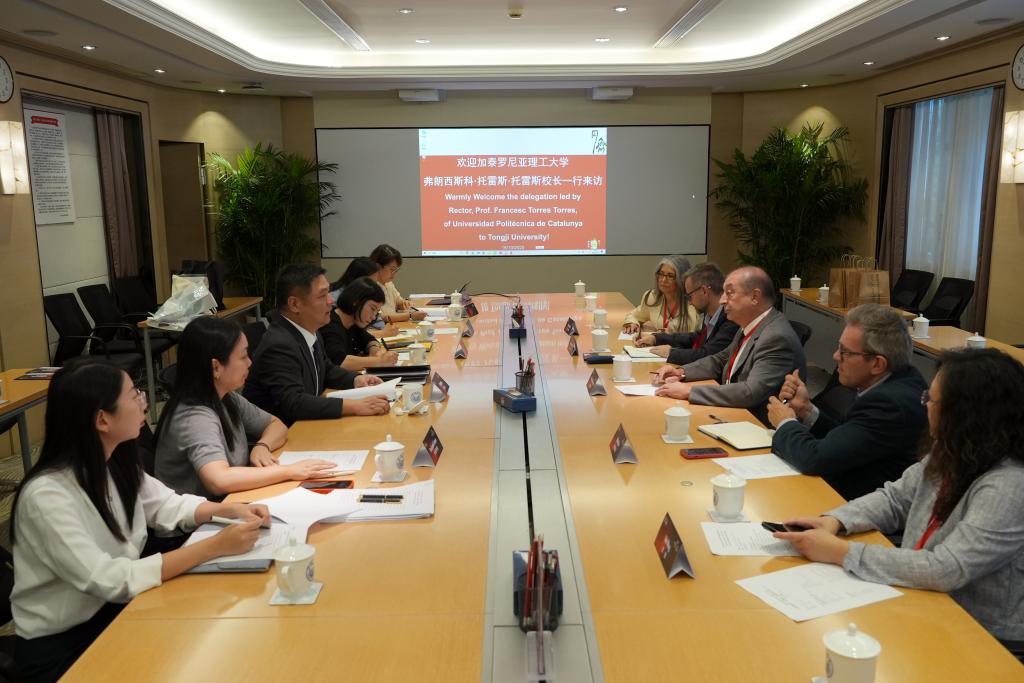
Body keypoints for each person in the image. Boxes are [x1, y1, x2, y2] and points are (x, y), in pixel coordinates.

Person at [10, 361, 269, 682]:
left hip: (118, 609)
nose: (144, 402)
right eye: (134, 396)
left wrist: (228, 511)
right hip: (64, 645)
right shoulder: (46, 496)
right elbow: (109, 579)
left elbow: (167, 505)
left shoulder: (113, 462)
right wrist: (213, 547)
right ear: (102, 420)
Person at [772, 349, 1024, 660]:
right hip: (924, 600)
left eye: (931, 400)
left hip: (982, 635)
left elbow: (947, 568)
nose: (925, 406)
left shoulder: (1008, 485)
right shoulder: (954, 451)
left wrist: (841, 552)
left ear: (965, 413)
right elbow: (895, 499)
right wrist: (836, 521)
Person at [155, 316, 337, 499]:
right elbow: (219, 480)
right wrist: (288, 471)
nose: (250, 362)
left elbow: (276, 424)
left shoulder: (226, 396)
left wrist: (262, 446)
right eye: (243, 356)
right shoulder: (195, 417)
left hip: (231, 501)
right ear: (216, 367)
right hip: (207, 513)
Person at [767, 304, 927, 500]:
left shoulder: (889, 404)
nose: (835, 356)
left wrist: (785, 422)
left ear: (877, 364)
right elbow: (848, 439)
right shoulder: (899, 381)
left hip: (858, 505)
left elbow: (815, 459)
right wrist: (806, 410)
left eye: (845, 352)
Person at [653, 266, 806, 425]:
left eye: (730, 293)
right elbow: (720, 360)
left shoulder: (776, 337)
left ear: (754, 296)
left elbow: (750, 392)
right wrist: (681, 372)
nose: (722, 300)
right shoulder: (750, 325)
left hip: (756, 424)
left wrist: (689, 391)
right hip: (734, 414)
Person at [244, 263, 389, 425]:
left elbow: (326, 370)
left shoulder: (310, 331)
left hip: (307, 426)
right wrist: (354, 406)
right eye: (322, 296)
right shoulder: (279, 344)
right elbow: (294, 402)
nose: (330, 301)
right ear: (295, 304)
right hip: (285, 433)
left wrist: (356, 380)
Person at [634, 262, 738, 364]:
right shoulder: (711, 314)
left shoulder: (731, 319)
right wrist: (656, 338)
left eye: (689, 296)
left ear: (704, 291)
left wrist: (672, 353)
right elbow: (696, 338)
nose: (689, 302)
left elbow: (709, 355)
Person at [320, 276, 399, 369]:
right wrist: (379, 361)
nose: (373, 317)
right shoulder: (330, 324)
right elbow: (339, 362)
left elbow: (369, 339)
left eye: (376, 312)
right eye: (372, 309)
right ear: (356, 301)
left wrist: (375, 350)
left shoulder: (353, 323)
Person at [622, 255, 699, 335]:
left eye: (670, 276)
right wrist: (632, 323)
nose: (663, 280)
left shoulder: (693, 301)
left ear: (682, 278)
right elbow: (634, 315)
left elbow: (691, 329)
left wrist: (663, 333)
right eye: (661, 274)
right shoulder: (653, 297)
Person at [369, 244, 426, 324]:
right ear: (378, 266)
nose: (394, 274)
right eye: (392, 270)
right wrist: (410, 315)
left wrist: (404, 303)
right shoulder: (370, 287)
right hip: (382, 327)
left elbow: (398, 301)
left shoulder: (388, 283)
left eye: (396, 270)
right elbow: (382, 317)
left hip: (393, 325)